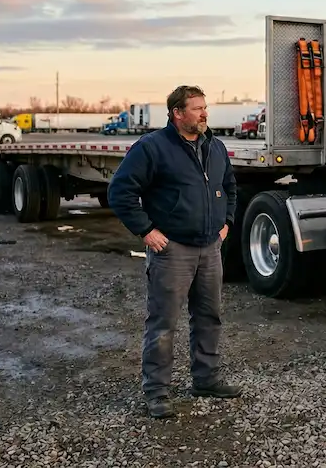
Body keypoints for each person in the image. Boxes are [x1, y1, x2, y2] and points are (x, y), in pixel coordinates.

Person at [107, 85, 241, 418]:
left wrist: (226, 223)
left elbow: (230, 187)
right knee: (163, 323)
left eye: (205, 107)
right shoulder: (153, 147)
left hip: (210, 248)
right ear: (177, 113)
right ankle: (157, 392)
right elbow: (120, 191)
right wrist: (146, 230)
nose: (204, 113)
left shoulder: (216, 147)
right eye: (196, 108)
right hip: (173, 250)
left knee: (209, 317)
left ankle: (206, 379)